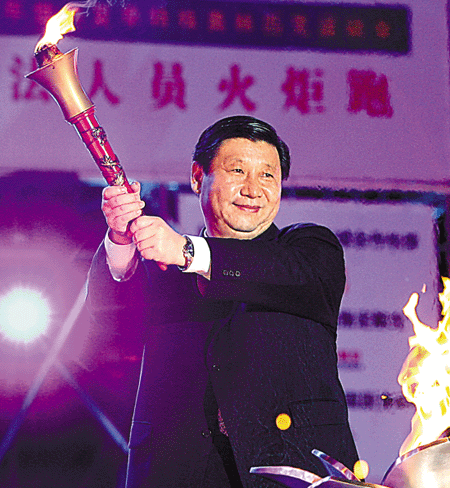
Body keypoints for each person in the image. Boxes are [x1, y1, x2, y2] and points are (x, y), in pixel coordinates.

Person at [86, 115, 359, 488]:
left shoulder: (309, 251)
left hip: (294, 469)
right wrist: (120, 239)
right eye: (237, 171)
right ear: (198, 177)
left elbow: (279, 272)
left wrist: (187, 250)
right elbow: (109, 328)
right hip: (178, 472)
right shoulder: (161, 267)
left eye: (268, 175)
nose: (253, 189)